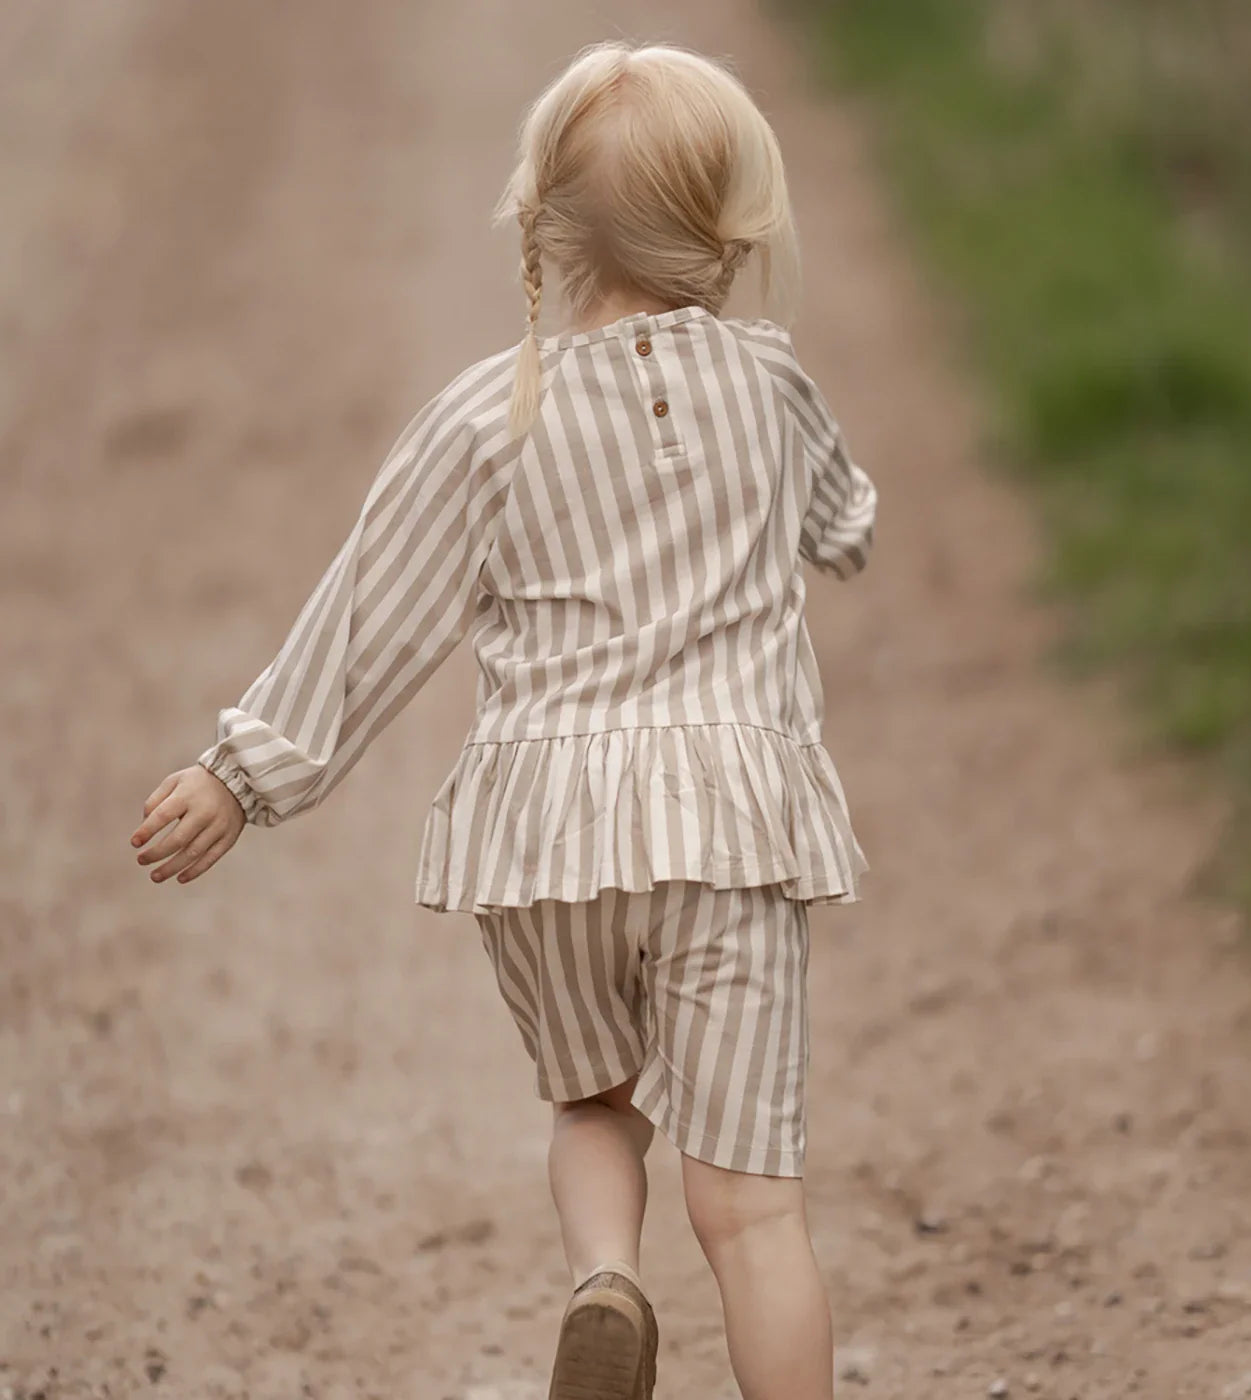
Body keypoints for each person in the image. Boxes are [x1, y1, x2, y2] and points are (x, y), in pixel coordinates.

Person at [130, 40, 876, 1400]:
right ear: (727, 230)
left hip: (551, 844)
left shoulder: (487, 414)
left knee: (594, 1102)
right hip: (732, 825)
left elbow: (371, 615)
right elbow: (843, 516)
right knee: (756, 1215)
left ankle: (606, 1278)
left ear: (542, 225)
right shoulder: (770, 385)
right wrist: (828, 534)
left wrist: (240, 775)